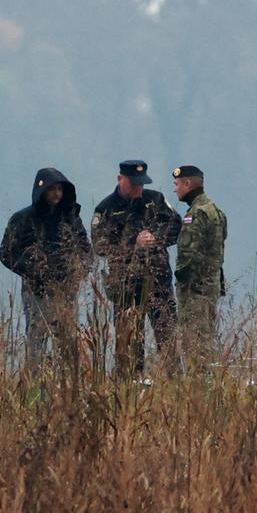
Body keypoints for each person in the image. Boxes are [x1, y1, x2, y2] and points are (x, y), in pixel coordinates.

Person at [90, 159, 182, 377]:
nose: (139, 189)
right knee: (129, 341)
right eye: (134, 184)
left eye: (142, 184)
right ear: (120, 180)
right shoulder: (105, 209)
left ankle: (174, 383)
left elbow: (176, 226)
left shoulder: (155, 200)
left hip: (158, 282)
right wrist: (133, 244)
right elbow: (100, 246)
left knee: (167, 335)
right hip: (126, 285)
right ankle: (129, 386)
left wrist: (155, 238)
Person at [0, 167, 91, 370]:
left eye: (60, 189)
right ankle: (34, 391)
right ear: (41, 191)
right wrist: (32, 271)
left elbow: (86, 250)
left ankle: (67, 389)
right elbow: (7, 253)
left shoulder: (71, 217)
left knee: (67, 342)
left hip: (66, 290)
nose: (57, 194)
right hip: (36, 291)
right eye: (52, 189)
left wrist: (79, 272)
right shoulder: (22, 218)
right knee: (36, 340)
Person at [172, 164, 228, 368]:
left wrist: (181, 281)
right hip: (211, 286)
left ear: (188, 184)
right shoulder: (216, 211)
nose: (175, 189)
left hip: (194, 290)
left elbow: (189, 255)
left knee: (194, 343)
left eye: (177, 184)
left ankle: (199, 388)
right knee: (207, 337)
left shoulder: (195, 214)